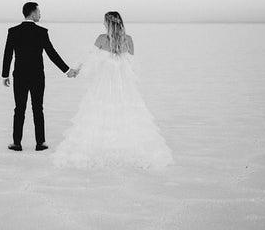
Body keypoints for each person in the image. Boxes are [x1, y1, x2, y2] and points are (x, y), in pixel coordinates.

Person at [50, 11, 175, 169]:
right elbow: (131, 64)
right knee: (125, 113)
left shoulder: (102, 39)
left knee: (99, 112)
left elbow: (89, 57)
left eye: (104, 22)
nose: (103, 24)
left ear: (108, 23)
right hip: (123, 84)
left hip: (105, 83)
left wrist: (76, 70)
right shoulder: (128, 40)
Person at [2, 2, 78, 151]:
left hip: (20, 76)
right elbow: (52, 54)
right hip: (37, 76)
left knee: (19, 109)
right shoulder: (41, 32)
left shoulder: (13, 31)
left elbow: (8, 55)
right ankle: (40, 143)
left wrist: (5, 75)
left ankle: (16, 143)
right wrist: (67, 70)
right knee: (38, 108)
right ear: (32, 13)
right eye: (39, 12)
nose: (40, 15)